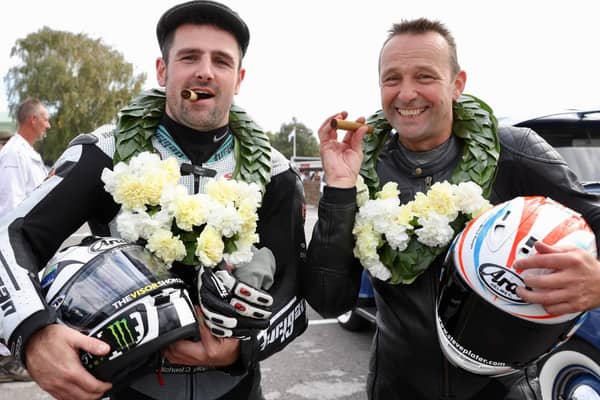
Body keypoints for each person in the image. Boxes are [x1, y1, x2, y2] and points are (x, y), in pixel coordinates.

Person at [0, 1, 308, 399]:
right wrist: (34, 334)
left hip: (239, 390)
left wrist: (240, 346)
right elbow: (12, 237)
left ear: (239, 77)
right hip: (127, 387)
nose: (204, 71)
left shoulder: (275, 170)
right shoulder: (104, 152)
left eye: (221, 61)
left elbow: (295, 291)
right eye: (189, 57)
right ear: (163, 71)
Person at [303, 18, 600, 400]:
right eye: (392, 79)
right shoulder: (364, 168)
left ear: (457, 84)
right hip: (395, 389)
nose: (406, 94)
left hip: (506, 391)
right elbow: (329, 301)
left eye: (424, 76)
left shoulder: (513, 151)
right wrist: (340, 188)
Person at [0, 99, 50, 217]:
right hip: (21, 234)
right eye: (46, 120)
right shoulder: (14, 153)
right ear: (33, 119)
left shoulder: (24, 151)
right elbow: (11, 207)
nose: (48, 125)